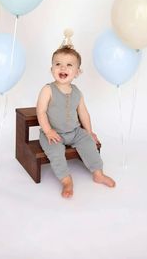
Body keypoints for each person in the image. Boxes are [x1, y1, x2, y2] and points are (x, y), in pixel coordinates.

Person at [36, 30, 115, 198]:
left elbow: (83, 113)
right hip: (52, 133)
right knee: (56, 152)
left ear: (77, 72)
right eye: (58, 64)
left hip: (74, 132)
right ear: (52, 69)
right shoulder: (47, 89)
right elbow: (40, 111)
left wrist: (89, 131)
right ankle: (66, 179)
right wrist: (48, 131)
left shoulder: (77, 92)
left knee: (88, 143)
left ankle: (98, 172)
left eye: (69, 65)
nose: (63, 67)